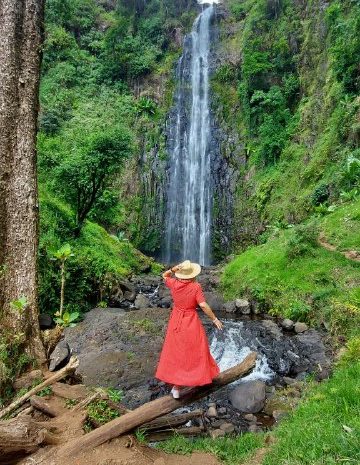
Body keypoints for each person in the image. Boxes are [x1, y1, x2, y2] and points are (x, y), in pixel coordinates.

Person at [155, 260, 224, 399]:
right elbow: (203, 305)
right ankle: (200, 378)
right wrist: (214, 319)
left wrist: (173, 269)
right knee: (198, 348)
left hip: (176, 320)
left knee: (177, 352)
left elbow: (164, 276)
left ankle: (176, 387)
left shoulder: (174, 283)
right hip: (190, 320)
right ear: (192, 275)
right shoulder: (195, 286)